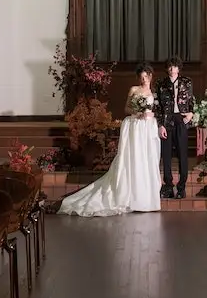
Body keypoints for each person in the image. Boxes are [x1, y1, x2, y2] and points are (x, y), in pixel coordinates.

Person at [56, 62, 162, 217]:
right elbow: (126, 108)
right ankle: (129, 195)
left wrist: (150, 115)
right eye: (142, 77)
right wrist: (137, 111)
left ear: (151, 76)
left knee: (146, 159)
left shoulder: (153, 93)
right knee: (133, 158)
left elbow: (154, 110)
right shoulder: (134, 89)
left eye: (146, 76)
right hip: (135, 125)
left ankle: (145, 197)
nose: (144, 80)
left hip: (147, 128)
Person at [155, 58, 195, 199]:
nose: (172, 69)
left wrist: (191, 114)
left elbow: (191, 101)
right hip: (167, 120)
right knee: (166, 156)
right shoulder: (161, 83)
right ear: (167, 68)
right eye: (170, 67)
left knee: (182, 155)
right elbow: (157, 106)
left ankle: (181, 187)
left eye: (175, 67)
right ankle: (168, 187)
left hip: (181, 119)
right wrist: (160, 125)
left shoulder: (186, 82)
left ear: (179, 68)